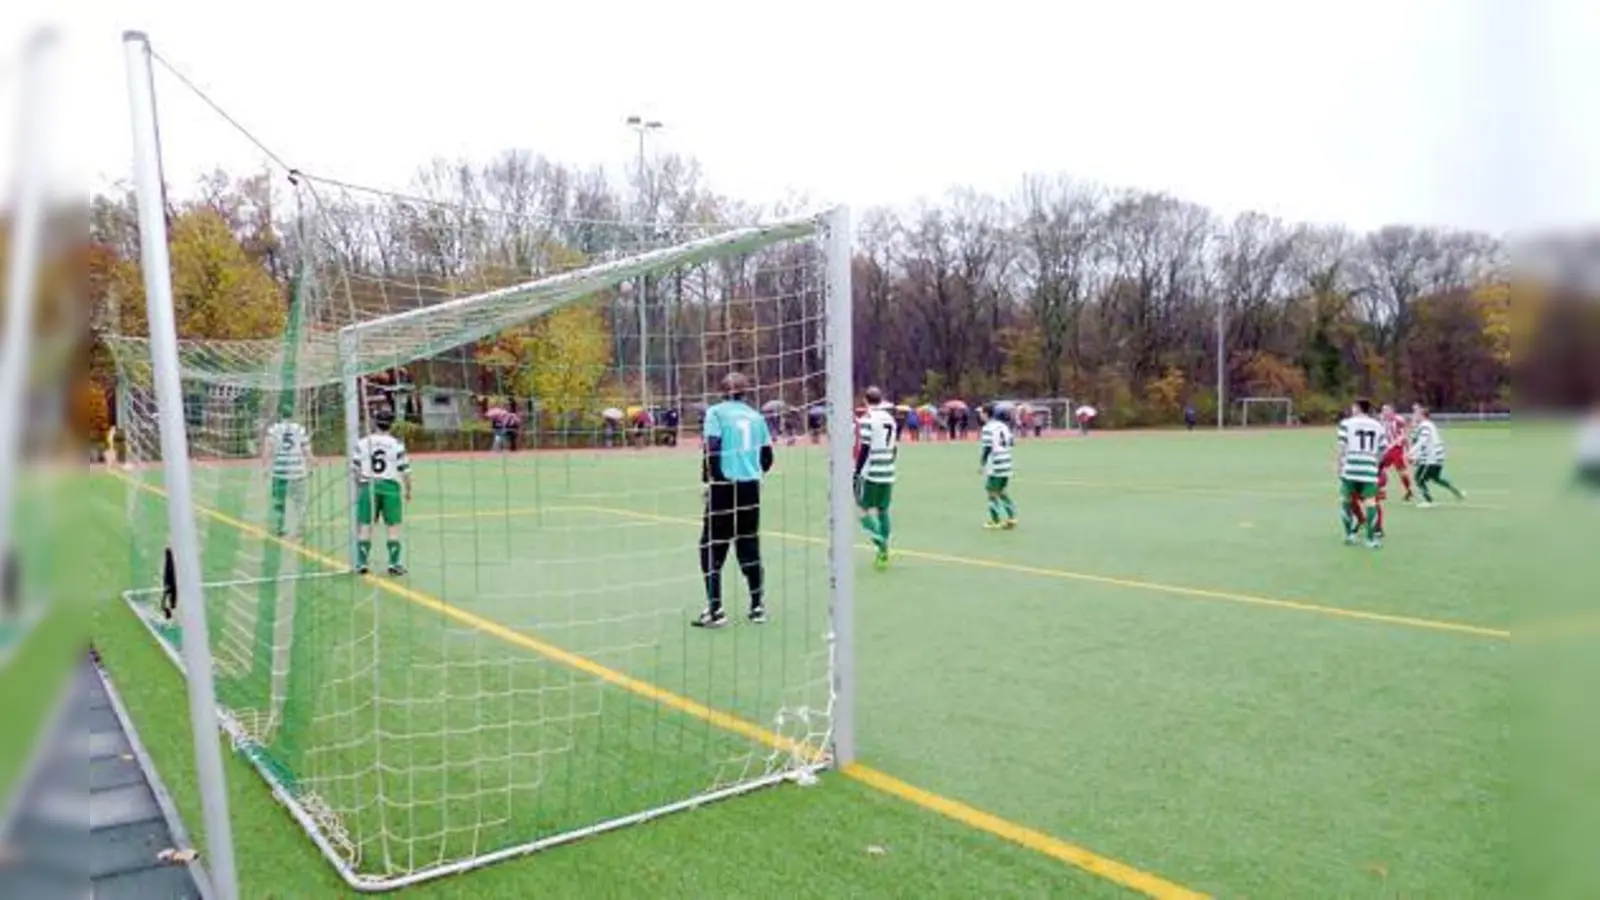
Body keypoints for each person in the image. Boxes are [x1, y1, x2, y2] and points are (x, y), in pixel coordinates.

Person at [692, 373, 773, 628]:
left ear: (722, 392)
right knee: (748, 543)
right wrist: (750, 468)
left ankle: (715, 609)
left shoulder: (715, 413)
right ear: (745, 393)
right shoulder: (756, 417)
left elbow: (712, 449)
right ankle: (757, 606)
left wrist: (710, 480)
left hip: (724, 487)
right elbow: (768, 458)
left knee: (711, 545)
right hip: (750, 489)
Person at [352, 407, 412, 575]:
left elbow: (355, 469)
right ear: (391, 425)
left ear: (374, 422)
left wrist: (359, 486)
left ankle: (362, 563)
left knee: (365, 526)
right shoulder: (396, 444)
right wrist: (408, 490)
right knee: (393, 526)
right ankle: (394, 564)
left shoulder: (362, 443)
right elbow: (405, 470)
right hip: (390, 486)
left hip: (368, 485)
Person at [855, 386, 898, 569]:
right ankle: (885, 548)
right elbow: (894, 447)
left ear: (865, 400)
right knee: (883, 509)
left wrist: (857, 472)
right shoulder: (890, 419)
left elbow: (864, 448)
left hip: (872, 472)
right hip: (888, 469)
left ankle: (882, 546)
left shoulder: (868, 419)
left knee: (863, 511)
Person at [1337, 399, 1386, 548]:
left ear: (1357, 408)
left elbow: (1342, 447)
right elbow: (1382, 450)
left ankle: (1349, 535)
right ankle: (1370, 539)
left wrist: (1340, 465)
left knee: (1346, 501)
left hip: (1351, 468)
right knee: (1370, 502)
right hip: (1369, 469)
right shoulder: (1378, 426)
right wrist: (1375, 465)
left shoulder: (1346, 423)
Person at [263, 417, 312, 537]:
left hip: (279, 472)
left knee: (279, 501)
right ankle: (300, 528)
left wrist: (265, 468)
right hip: (297, 471)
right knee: (300, 502)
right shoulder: (300, 429)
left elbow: (267, 450)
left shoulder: (273, 429)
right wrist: (311, 465)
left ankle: (279, 528)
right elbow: (306, 450)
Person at [1409, 405, 1465, 506]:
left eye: (1417, 415)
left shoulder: (1425, 425)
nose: (1416, 417)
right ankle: (1456, 491)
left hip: (1431, 458)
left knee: (1419, 478)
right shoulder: (1428, 425)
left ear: (1422, 415)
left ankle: (1428, 500)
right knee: (1436, 478)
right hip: (1437, 457)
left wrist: (1411, 453)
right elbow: (1416, 436)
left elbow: (1422, 441)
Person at [979, 403, 1018, 529]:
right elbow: (1012, 442)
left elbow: (987, 448)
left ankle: (995, 520)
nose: (980, 415)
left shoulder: (987, 428)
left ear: (986, 414)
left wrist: (982, 464)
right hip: (1007, 462)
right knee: (1001, 491)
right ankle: (1012, 517)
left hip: (995, 464)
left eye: (981, 413)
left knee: (991, 491)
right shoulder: (1003, 426)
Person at [1377, 404, 1415, 502]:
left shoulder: (1398, 420)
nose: (1384, 412)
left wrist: (1408, 450)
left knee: (1401, 472)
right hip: (1387, 449)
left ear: (1392, 411)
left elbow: (1405, 435)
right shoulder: (1382, 421)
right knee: (1379, 468)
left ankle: (1409, 490)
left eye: (1386, 410)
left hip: (1397, 449)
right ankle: (1381, 492)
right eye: (1383, 410)